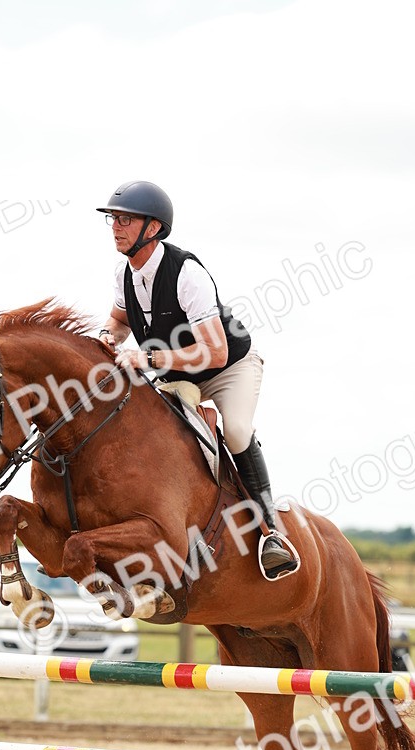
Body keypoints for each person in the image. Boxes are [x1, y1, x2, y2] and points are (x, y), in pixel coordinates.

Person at [96, 180, 299, 581]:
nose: (116, 227)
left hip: (228, 369)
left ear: (151, 229)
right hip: (179, 375)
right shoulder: (125, 274)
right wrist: (106, 339)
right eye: (113, 220)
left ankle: (270, 531)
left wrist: (148, 357)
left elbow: (217, 351)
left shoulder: (187, 273)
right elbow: (118, 322)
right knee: (160, 439)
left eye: (125, 219)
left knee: (237, 430)